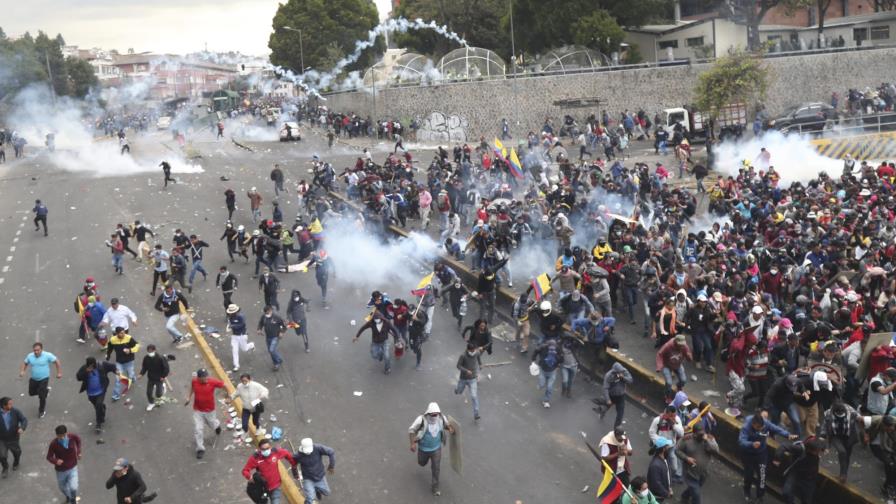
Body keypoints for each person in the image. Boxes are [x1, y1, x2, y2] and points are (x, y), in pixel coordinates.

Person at [739, 411, 798, 503]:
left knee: (762, 476)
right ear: (753, 424)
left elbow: (776, 429)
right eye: (758, 428)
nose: (760, 429)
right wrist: (751, 444)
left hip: (761, 454)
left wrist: (787, 435)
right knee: (749, 475)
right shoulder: (746, 427)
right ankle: (747, 491)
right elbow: (741, 441)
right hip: (748, 455)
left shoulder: (765, 423)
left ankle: (760, 496)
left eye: (761, 427)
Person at [408, 402, 456, 497]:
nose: (434, 416)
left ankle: (435, 487)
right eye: (433, 415)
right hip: (423, 449)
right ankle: (423, 461)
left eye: (436, 414)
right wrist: (412, 443)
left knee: (436, 468)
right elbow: (411, 430)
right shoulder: (421, 419)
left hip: (436, 449)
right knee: (421, 463)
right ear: (428, 413)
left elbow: (447, 425)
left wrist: (450, 428)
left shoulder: (441, 418)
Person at [184, 368, 225, 459]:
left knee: (212, 423)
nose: (206, 378)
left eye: (206, 376)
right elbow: (192, 388)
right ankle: (200, 449)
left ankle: (217, 426)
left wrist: (229, 397)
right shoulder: (195, 381)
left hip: (210, 410)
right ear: (199, 378)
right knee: (198, 429)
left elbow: (224, 385)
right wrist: (188, 397)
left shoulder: (212, 382)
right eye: (203, 377)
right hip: (198, 410)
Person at [242, 438, 297, 504]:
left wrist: (293, 464)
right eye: (263, 449)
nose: (266, 450)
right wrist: (249, 477)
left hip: (275, 487)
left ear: (270, 447)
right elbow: (245, 470)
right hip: (263, 489)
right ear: (260, 449)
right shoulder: (255, 458)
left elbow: (286, 454)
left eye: (267, 448)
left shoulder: (276, 452)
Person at [676, 423, 718, 504]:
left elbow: (716, 451)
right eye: (699, 434)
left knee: (696, 488)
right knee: (696, 495)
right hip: (690, 473)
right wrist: (686, 458)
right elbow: (677, 450)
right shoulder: (686, 440)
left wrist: (707, 441)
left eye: (703, 433)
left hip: (703, 473)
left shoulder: (709, 439)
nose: (701, 436)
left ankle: (685, 496)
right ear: (694, 433)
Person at [776, 438, 825, 504]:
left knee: (806, 500)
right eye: (817, 451)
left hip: (809, 479)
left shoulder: (816, 450)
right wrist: (777, 458)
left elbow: (822, 444)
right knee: (786, 493)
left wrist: (824, 448)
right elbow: (784, 446)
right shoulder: (800, 449)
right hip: (796, 474)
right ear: (809, 449)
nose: (818, 452)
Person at [19, 342, 62, 418]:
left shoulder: (47, 355)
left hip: (44, 378)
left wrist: (59, 372)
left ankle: (41, 411)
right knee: (31, 393)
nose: (36, 352)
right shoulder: (30, 356)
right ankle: (46, 391)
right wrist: (23, 371)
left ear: (41, 349)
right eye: (34, 350)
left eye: (38, 350)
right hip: (34, 378)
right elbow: (25, 363)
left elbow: (56, 361)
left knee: (42, 397)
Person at [75, 357, 117, 433]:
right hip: (91, 393)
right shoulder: (84, 368)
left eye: (92, 366)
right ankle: (102, 408)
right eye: (89, 366)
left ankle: (98, 424)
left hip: (101, 390)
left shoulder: (101, 365)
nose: (91, 367)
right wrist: (86, 371)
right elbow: (78, 377)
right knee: (97, 406)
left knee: (98, 404)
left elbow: (113, 367)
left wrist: (116, 371)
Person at [291, 437, 337, 503]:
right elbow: (293, 464)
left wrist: (331, 466)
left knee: (327, 492)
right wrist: (295, 474)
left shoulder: (318, 448)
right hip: (308, 478)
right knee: (310, 498)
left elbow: (331, 452)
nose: (308, 453)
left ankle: (316, 489)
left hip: (320, 476)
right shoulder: (298, 455)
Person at [648, 405, 685, 484]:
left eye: (675, 415)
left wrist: (673, 425)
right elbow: (652, 433)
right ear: (667, 414)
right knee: (656, 464)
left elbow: (681, 433)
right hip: (660, 447)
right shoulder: (657, 420)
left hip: (671, 447)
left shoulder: (677, 419)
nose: (674, 417)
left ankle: (667, 478)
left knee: (674, 468)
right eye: (672, 416)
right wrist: (661, 442)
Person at [46, 424, 81, 504]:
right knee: (62, 488)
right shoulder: (54, 444)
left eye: (63, 435)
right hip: (61, 471)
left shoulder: (72, 437)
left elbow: (78, 440)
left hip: (72, 467)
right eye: (59, 436)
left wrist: (78, 451)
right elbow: (49, 457)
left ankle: (73, 499)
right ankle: (68, 497)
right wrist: (56, 461)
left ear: (66, 433)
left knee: (73, 487)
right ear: (56, 435)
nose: (61, 437)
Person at [106, 327, 140, 403]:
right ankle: (116, 396)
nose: (123, 334)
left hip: (129, 361)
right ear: (117, 333)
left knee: (130, 375)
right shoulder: (112, 340)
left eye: (124, 332)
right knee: (118, 379)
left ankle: (133, 378)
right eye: (121, 333)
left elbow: (137, 345)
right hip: (119, 362)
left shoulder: (128, 338)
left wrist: (130, 350)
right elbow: (110, 348)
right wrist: (108, 355)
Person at [595, 362, 633, 427]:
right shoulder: (608, 375)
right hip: (611, 395)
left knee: (620, 415)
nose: (620, 373)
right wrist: (608, 399)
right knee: (605, 408)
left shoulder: (624, 371)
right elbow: (605, 388)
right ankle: (602, 413)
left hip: (621, 396)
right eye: (618, 372)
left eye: (621, 372)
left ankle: (616, 430)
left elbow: (630, 380)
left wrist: (623, 378)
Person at [455, 342, 483, 420]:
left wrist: (480, 364)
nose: (472, 352)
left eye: (473, 350)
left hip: (473, 378)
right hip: (463, 378)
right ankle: (457, 390)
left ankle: (476, 414)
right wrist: (466, 371)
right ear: (468, 350)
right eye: (471, 351)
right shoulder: (463, 356)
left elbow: (479, 359)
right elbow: (458, 366)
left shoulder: (476, 353)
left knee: (474, 396)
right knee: (459, 391)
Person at [0, 397, 27, 478]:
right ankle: (5, 468)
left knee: (17, 452)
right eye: (10, 404)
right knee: (2, 456)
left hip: (13, 438)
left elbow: (24, 420)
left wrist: (22, 427)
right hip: (2, 439)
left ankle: (16, 462)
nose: (11, 405)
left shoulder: (15, 411)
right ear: (4, 406)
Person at [138, 344, 169, 411]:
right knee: (148, 392)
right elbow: (144, 367)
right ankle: (151, 403)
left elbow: (166, 369)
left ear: (154, 350)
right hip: (151, 378)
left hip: (159, 378)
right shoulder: (146, 358)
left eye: (151, 351)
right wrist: (141, 374)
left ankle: (162, 388)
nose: (150, 353)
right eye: (148, 352)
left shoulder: (161, 358)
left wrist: (163, 376)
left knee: (158, 394)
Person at [532, 337, 562, 408]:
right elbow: (536, 351)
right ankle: (540, 385)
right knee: (542, 384)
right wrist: (533, 360)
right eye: (550, 348)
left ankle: (546, 401)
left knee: (549, 387)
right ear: (547, 346)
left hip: (552, 371)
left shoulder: (557, 349)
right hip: (543, 369)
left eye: (553, 347)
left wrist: (556, 358)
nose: (552, 349)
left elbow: (561, 359)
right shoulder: (543, 347)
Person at [226, 304, 255, 372]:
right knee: (234, 350)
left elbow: (242, 325)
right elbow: (229, 324)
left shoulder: (241, 317)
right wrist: (229, 327)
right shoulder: (230, 318)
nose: (231, 314)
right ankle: (236, 365)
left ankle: (251, 345)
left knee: (244, 349)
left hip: (242, 335)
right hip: (234, 336)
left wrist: (233, 326)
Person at [257, 305, 287, 371]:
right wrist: (259, 329)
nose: (266, 314)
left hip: (275, 336)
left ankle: (276, 363)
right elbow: (260, 323)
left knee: (272, 350)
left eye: (267, 312)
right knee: (271, 351)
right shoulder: (263, 317)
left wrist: (281, 332)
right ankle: (279, 359)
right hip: (268, 337)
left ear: (270, 311)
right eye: (265, 313)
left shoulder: (277, 317)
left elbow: (284, 325)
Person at [647, 437, 673, 501]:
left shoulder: (665, 459)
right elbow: (656, 484)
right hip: (657, 497)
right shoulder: (655, 465)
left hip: (662, 494)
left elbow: (667, 475)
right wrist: (666, 493)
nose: (670, 447)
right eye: (668, 446)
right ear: (664, 449)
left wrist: (669, 487)